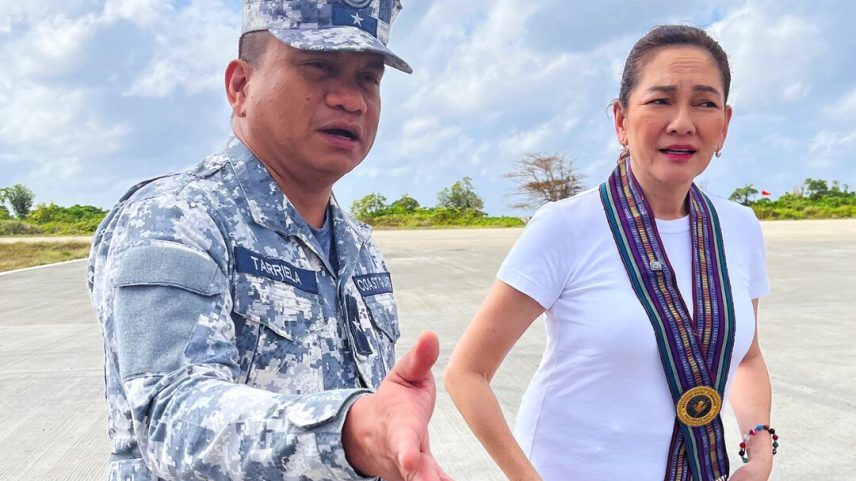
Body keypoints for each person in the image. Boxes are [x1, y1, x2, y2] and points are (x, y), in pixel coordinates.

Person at [88, 1, 452, 481]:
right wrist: (346, 432)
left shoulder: (358, 247)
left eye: (369, 78)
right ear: (241, 86)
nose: (351, 100)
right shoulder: (176, 218)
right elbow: (169, 414)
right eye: (318, 67)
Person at [444, 25, 775, 481]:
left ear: (725, 124)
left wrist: (759, 451)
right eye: (660, 100)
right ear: (621, 120)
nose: (682, 121)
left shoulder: (738, 228)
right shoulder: (566, 226)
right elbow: (467, 374)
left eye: (704, 102)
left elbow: (749, 358)